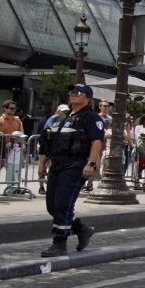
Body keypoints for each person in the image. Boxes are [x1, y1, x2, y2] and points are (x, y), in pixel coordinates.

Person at [37, 83, 103, 257]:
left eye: (77, 92)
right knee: (52, 206)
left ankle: (59, 243)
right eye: (71, 92)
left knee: (63, 204)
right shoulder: (63, 117)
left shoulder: (91, 117)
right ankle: (82, 230)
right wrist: (42, 163)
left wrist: (90, 164)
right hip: (57, 164)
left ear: (87, 98)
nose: (72, 94)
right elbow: (48, 141)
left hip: (75, 164)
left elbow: (97, 141)